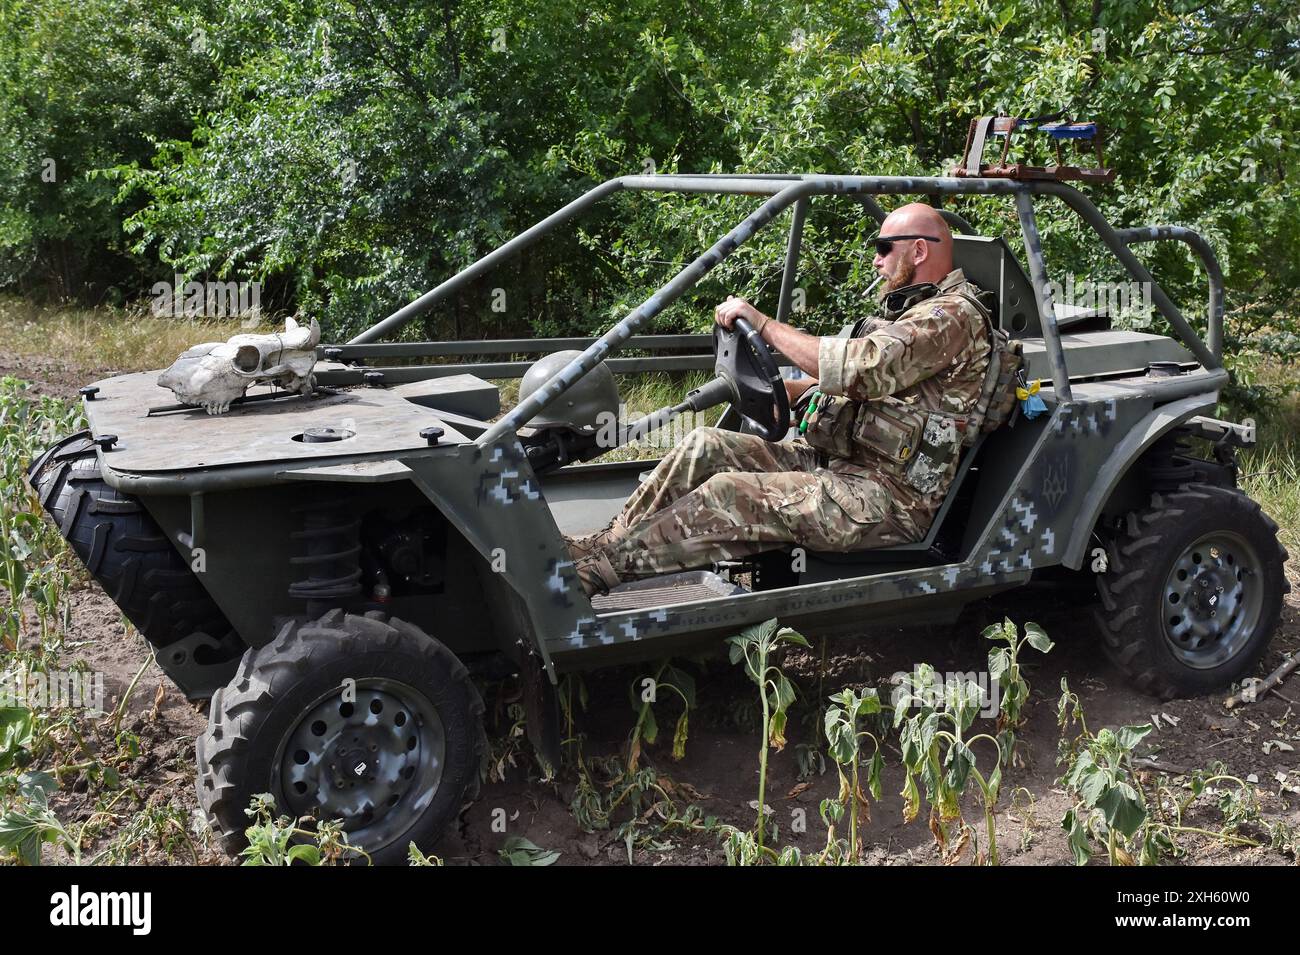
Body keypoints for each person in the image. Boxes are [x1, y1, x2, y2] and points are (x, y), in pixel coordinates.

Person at [567, 202, 994, 595]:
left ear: (919, 251)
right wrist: (783, 392)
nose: (876, 260)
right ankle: (604, 543)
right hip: (836, 466)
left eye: (884, 248)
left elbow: (859, 370)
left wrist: (763, 323)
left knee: (730, 493)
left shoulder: (951, 316)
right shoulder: (905, 312)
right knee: (706, 446)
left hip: (885, 500)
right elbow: (877, 395)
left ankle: (594, 574)